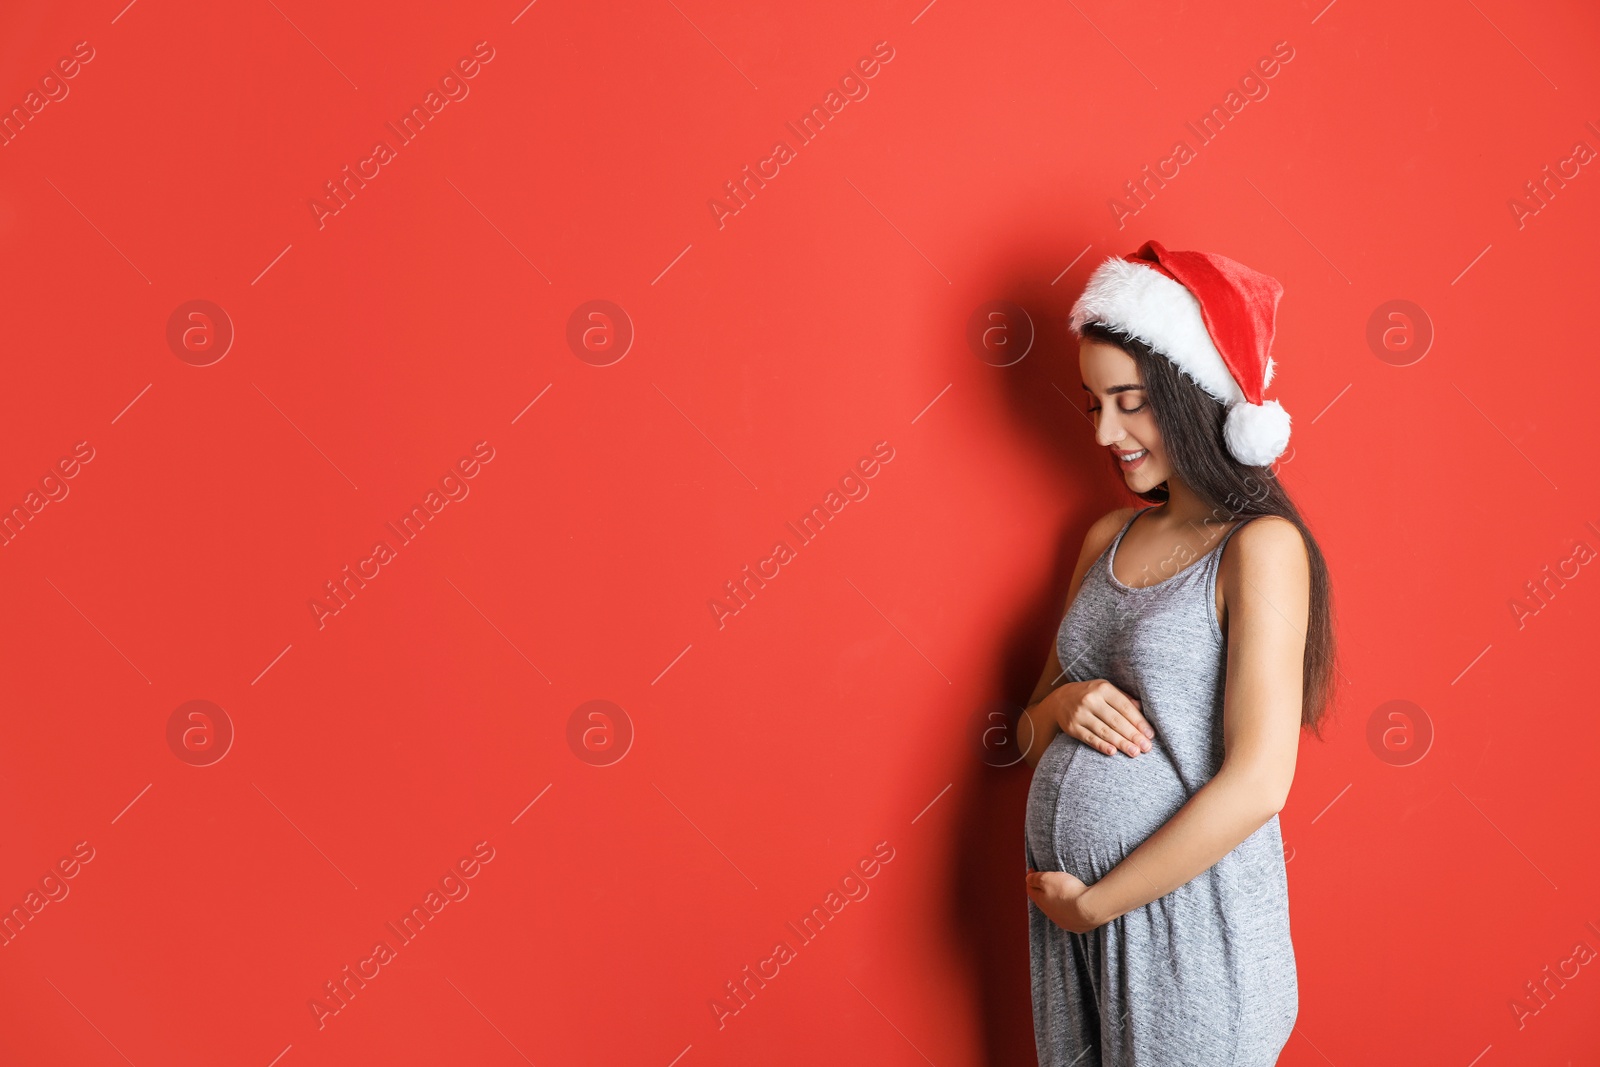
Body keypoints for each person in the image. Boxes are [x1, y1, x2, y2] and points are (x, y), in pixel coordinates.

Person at [1019, 239, 1338, 1065]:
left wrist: (1096, 904)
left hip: (1186, 931)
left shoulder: (1258, 547)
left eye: (1129, 401)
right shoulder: (1104, 538)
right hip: (1074, 931)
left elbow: (1261, 781)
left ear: (1193, 393)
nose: (1105, 432)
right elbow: (1025, 732)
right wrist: (1056, 705)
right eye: (1093, 404)